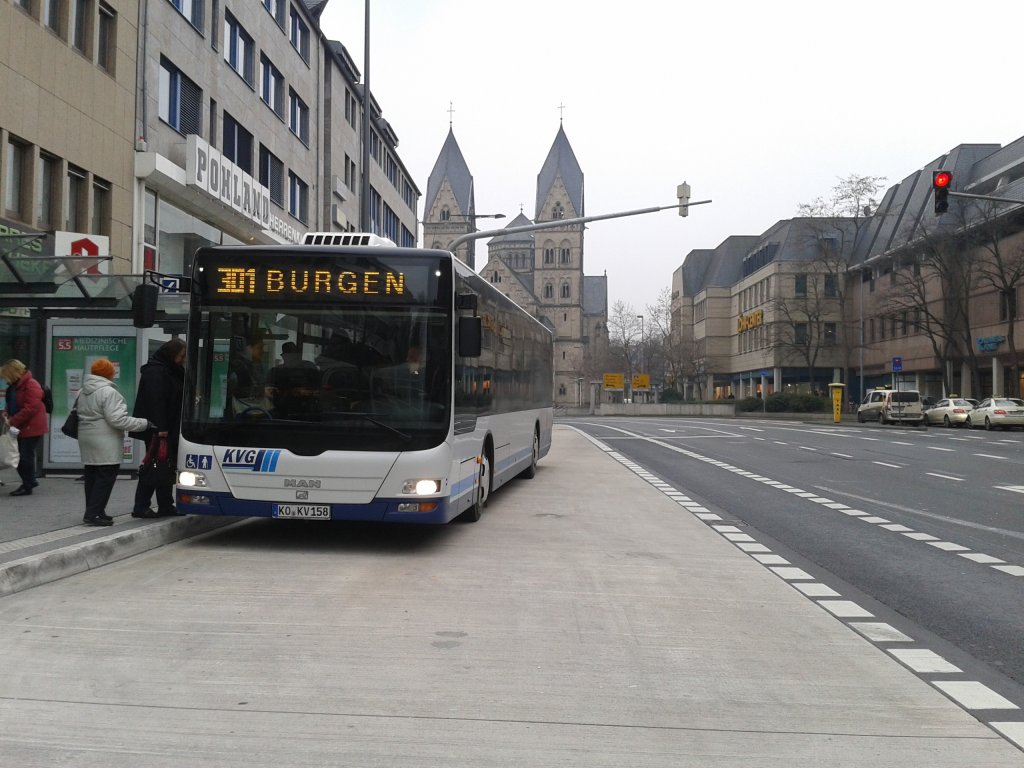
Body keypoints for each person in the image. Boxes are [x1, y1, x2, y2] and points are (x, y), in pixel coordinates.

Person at [77, 358, 151, 526]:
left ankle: (95, 510)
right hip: (105, 440)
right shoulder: (109, 392)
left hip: (86, 437)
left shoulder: (83, 391)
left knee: (92, 476)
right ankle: (94, 513)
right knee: (105, 477)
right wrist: (144, 423)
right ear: (109, 373)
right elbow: (118, 420)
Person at [131, 339, 186, 518]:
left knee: (165, 466)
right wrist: (161, 427)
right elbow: (156, 401)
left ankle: (165, 504)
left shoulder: (170, 370)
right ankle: (141, 506)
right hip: (159, 430)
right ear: (171, 354)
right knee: (154, 465)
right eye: (181, 356)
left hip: (168, 427)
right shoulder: (156, 372)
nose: (183, 360)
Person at [0, 359, 48, 496]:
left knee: (24, 456)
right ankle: (29, 481)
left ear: (13, 373)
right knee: (21, 455)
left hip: (31, 426)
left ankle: (28, 484)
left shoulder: (31, 384)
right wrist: (7, 412)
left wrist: (13, 421)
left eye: (6, 376)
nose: (5, 379)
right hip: (20, 426)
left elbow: (30, 408)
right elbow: (11, 402)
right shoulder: (15, 386)